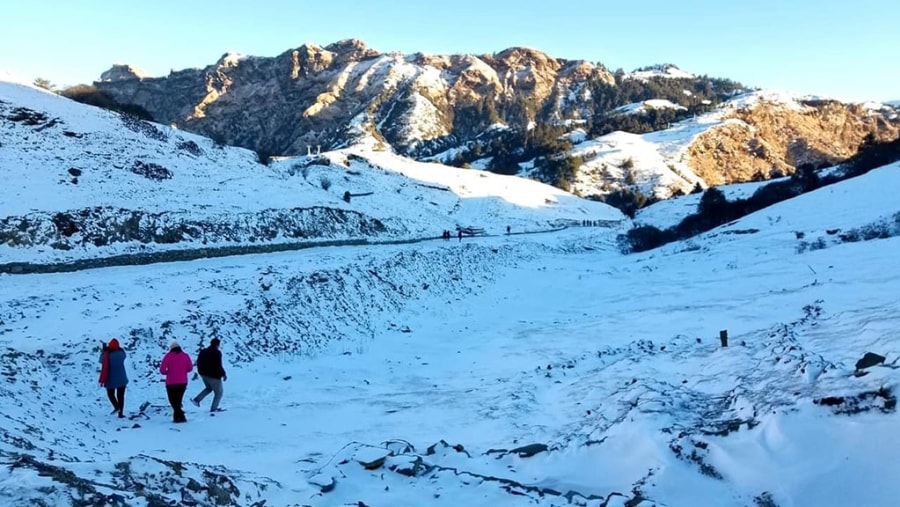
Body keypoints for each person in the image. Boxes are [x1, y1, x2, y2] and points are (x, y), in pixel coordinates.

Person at [159, 340, 193, 423]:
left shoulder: (168, 356)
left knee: (173, 400)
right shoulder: (185, 356)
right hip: (182, 382)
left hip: (171, 382)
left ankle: (180, 416)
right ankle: (178, 417)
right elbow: (190, 368)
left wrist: (168, 372)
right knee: (178, 400)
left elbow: (162, 370)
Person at [191, 337, 227, 412]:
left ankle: (197, 400)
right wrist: (223, 374)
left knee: (209, 388)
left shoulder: (203, 351)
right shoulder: (217, 353)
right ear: (217, 345)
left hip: (204, 375)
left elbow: (199, 362)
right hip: (214, 376)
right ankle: (214, 408)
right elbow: (218, 365)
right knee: (219, 393)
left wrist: (200, 372)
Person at [99, 338, 128, 418]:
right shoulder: (122, 354)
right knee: (120, 396)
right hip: (122, 379)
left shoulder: (107, 356)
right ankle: (120, 414)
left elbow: (101, 360)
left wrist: (104, 351)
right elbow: (124, 354)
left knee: (111, 394)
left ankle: (116, 407)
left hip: (111, 379)